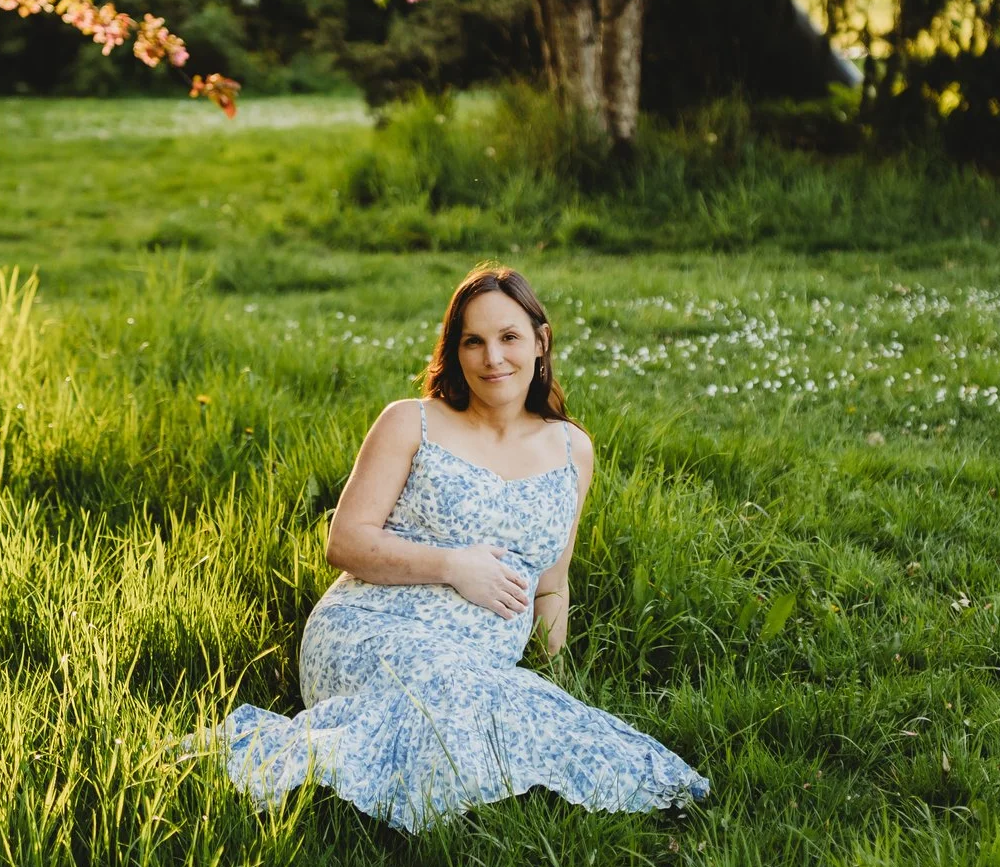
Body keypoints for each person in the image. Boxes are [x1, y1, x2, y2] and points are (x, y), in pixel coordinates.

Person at [206, 264, 711, 828]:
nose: (493, 358)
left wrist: (557, 675)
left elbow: (552, 583)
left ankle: (590, 779)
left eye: (509, 337)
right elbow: (345, 543)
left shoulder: (572, 451)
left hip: (478, 661)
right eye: (474, 341)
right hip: (369, 628)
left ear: (541, 343)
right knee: (457, 693)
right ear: (455, 350)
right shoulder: (411, 423)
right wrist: (452, 566)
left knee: (499, 702)